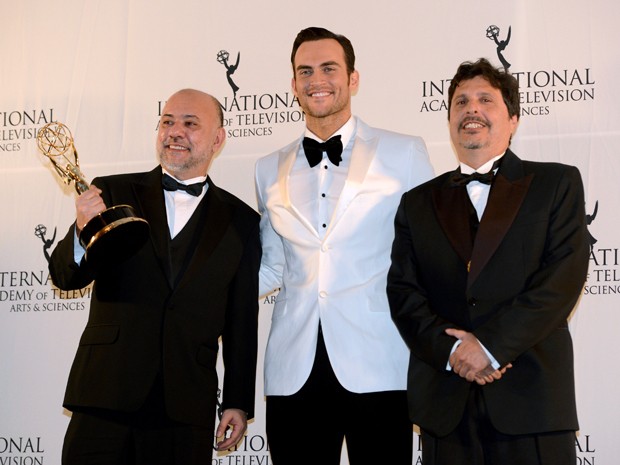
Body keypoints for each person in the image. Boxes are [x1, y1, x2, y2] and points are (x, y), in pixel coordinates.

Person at [387, 58, 589, 465]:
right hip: (447, 407)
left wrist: (491, 347)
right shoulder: (417, 203)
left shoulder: (556, 183)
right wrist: (453, 353)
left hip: (531, 401)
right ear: (449, 120)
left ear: (512, 119)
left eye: (485, 100)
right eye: (460, 102)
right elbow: (404, 293)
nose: (470, 109)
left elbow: (561, 281)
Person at [49, 88, 261, 465]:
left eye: (190, 123)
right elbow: (66, 277)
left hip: (185, 408)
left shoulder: (242, 222)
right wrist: (83, 233)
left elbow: (241, 319)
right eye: (167, 121)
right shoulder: (112, 191)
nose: (175, 131)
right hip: (104, 395)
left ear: (218, 138)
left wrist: (238, 402)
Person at [255, 27, 434, 465]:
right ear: (294, 85)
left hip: (379, 362)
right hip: (293, 369)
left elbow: (431, 255)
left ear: (353, 79)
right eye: (305, 71)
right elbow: (272, 268)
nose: (317, 79)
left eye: (329, 68)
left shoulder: (404, 152)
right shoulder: (267, 168)